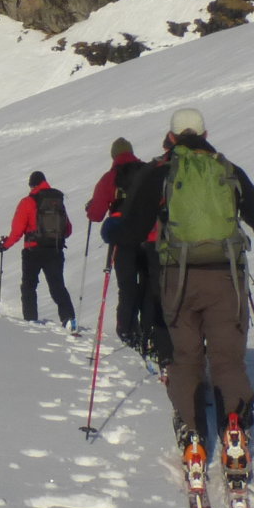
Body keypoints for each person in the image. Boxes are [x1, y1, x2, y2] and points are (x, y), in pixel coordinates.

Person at [116, 107, 254, 478]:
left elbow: (133, 229)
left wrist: (114, 234)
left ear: (172, 137)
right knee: (228, 360)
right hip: (226, 278)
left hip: (178, 279)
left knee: (186, 358)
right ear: (205, 133)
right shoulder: (228, 171)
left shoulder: (161, 171)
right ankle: (235, 428)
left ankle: (193, 436)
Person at [87, 137, 160, 356]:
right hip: (151, 237)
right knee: (150, 287)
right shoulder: (149, 171)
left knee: (127, 287)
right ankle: (150, 333)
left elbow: (96, 214)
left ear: (114, 156)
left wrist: (91, 208)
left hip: (124, 240)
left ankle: (128, 332)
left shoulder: (110, 178)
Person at [0, 170, 75, 327]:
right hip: (55, 250)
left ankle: (31, 320)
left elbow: (17, 230)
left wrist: (5, 245)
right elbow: (68, 230)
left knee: (29, 286)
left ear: (32, 185)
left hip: (33, 250)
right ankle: (69, 319)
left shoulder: (28, 202)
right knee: (57, 285)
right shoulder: (57, 200)